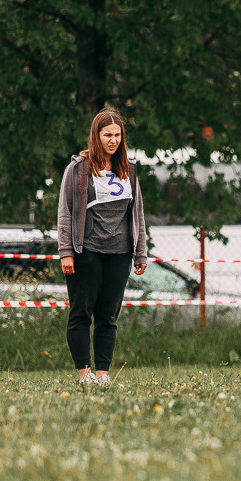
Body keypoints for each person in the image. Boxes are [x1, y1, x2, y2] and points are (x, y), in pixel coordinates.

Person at [57, 108, 148, 385]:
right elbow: (65, 211)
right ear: (96, 136)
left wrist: (140, 252)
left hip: (120, 253)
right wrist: (66, 252)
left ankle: (103, 375)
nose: (113, 140)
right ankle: (84, 374)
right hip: (87, 250)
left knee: (108, 317)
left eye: (117, 135)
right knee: (81, 313)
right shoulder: (78, 169)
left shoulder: (129, 169)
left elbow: (137, 213)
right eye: (107, 135)